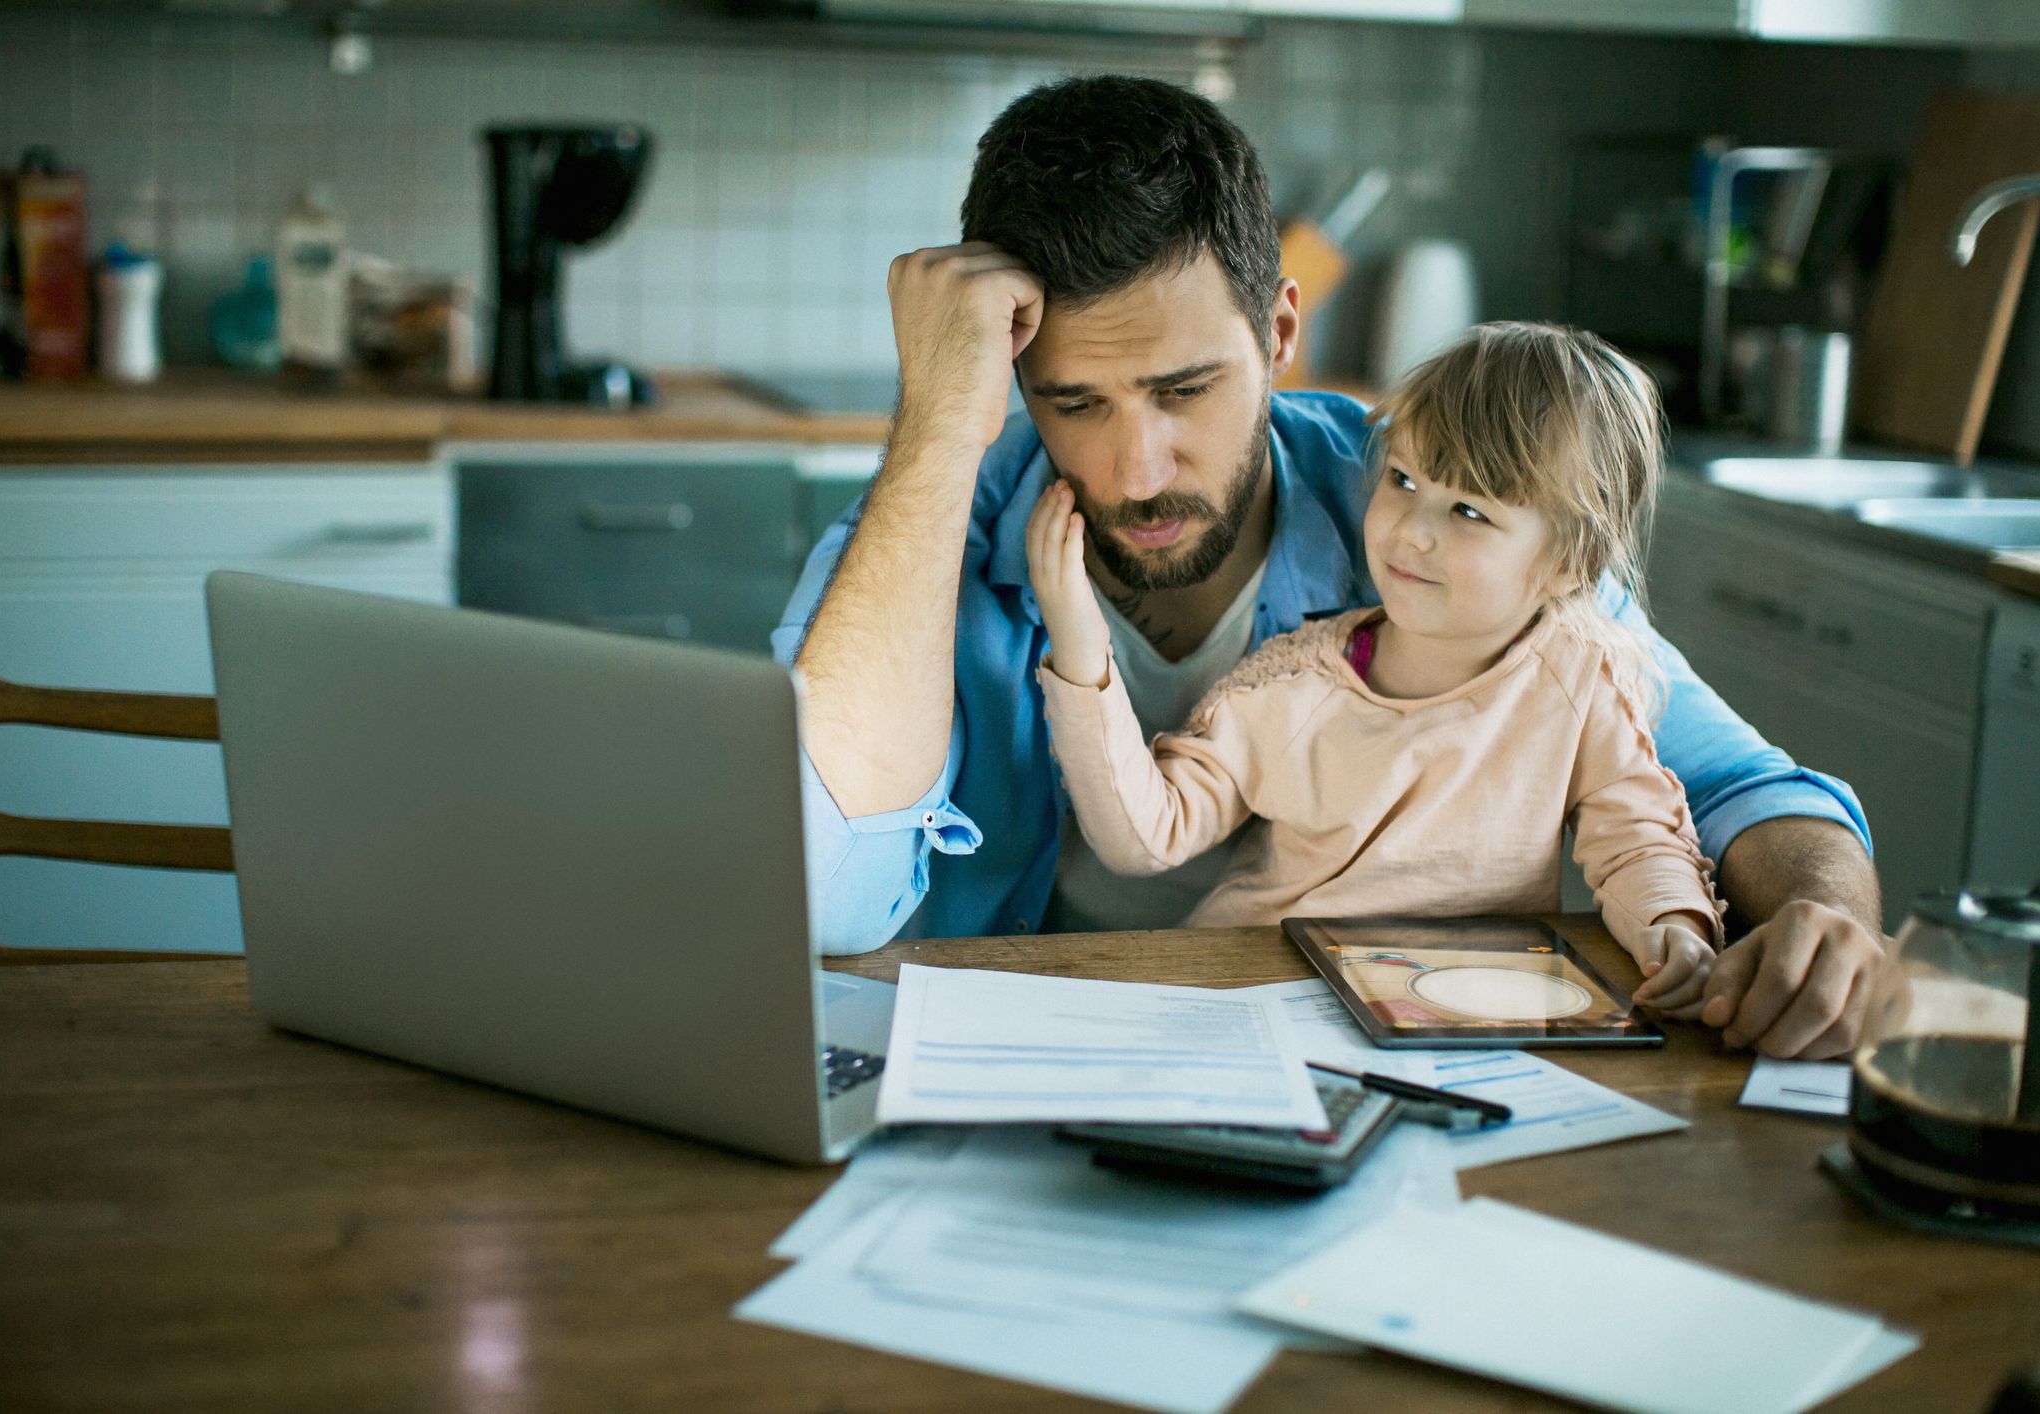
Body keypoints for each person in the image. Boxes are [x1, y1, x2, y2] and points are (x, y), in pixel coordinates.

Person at [778, 74, 1885, 1060]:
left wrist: (1819, 915)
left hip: (1358, 1071)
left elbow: (1746, 789)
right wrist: (936, 426)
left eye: (1183, 390)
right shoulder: (932, 523)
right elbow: (822, 893)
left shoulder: (1435, 509)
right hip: (1020, 1060)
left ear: (1279, 334)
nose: (1137, 469)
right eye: (1073, 402)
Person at [1027, 320, 1721, 1016]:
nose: (1410, 530)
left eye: (1468, 511)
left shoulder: (1578, 684)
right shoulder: (1289, 686)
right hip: (1263, 1002)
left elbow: (1636, 843)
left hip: (1459, 1019)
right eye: (1402, 479)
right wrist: (1081, 648)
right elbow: (1143, 838)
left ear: (1572, 565)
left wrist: (1673, 925)